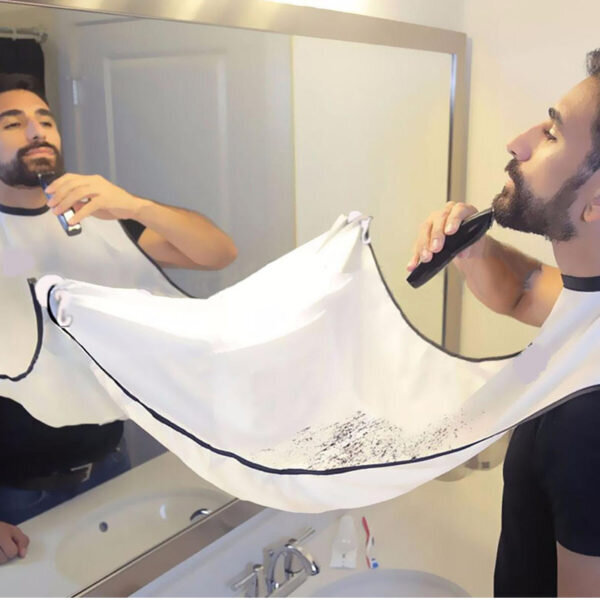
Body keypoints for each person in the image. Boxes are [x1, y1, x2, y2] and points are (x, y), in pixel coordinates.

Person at [0, 73, 238, 564]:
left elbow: (218, 252)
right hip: (13, 496)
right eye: (12, 123)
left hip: (110, 462)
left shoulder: (99, 220)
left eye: (45, 120)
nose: (37, 131)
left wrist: (135, 205)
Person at [408, 48, 600, 597]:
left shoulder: (586, 421)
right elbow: (524, 291)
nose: (518, 142)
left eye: (552, 134)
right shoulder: (588, 304)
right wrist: (474, 247)